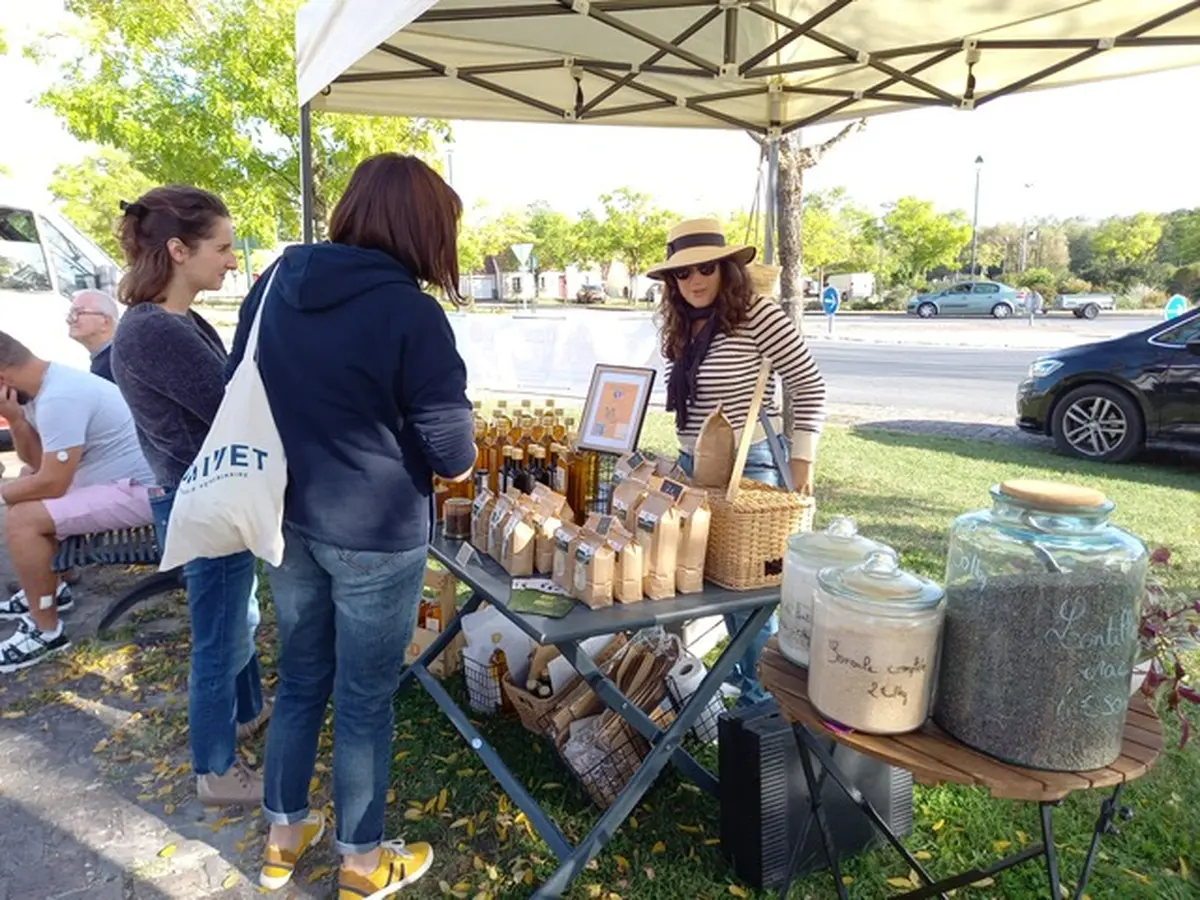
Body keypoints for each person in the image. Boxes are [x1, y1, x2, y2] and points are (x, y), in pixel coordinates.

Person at [226, 153, 475, 897]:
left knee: (302, 676)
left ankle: (283, 838)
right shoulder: (411, 313)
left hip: (287, 515)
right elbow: (453, 452)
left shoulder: (275, 282)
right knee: (363, 699)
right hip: (375, 531)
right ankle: (363, 864)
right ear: (424, 229)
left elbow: (240, 382)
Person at [110, 187, 268, 807]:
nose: (231, 260)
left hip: (211, 494)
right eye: (222, 248)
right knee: (220, 637)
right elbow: (232, 409)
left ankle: (247, 712)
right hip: (203, 501)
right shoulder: (154, 331)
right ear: (178, 250)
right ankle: (216, 771)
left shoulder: (176, 319)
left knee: (239, 617)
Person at [646, 218, 827, 706]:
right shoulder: (682, 321)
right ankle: (742, 684)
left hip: (750, 466)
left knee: (747, 599)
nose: (694, 280)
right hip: (694, 466)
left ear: (726, 268)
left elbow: (809, 384)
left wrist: (803, 462)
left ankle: (763, 704)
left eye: (705, 268)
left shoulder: (757, 314)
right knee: (709, 584)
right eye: (682, 273)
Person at [0, 331, 156, 672]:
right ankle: (51, 589)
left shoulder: (60, 397)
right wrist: (15, 419)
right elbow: (38, 464)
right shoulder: (40, 388)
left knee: (23, 518)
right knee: (26, 482)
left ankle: (45, 632)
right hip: (113, 482)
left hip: (142, 492)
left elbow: (53, 484)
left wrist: (4, 493)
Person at [67, 289, 119, 382]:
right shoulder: (109, 358)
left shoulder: (118, 363)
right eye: (71, 314)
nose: (69, 319)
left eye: (79, 313)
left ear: (106, 321)